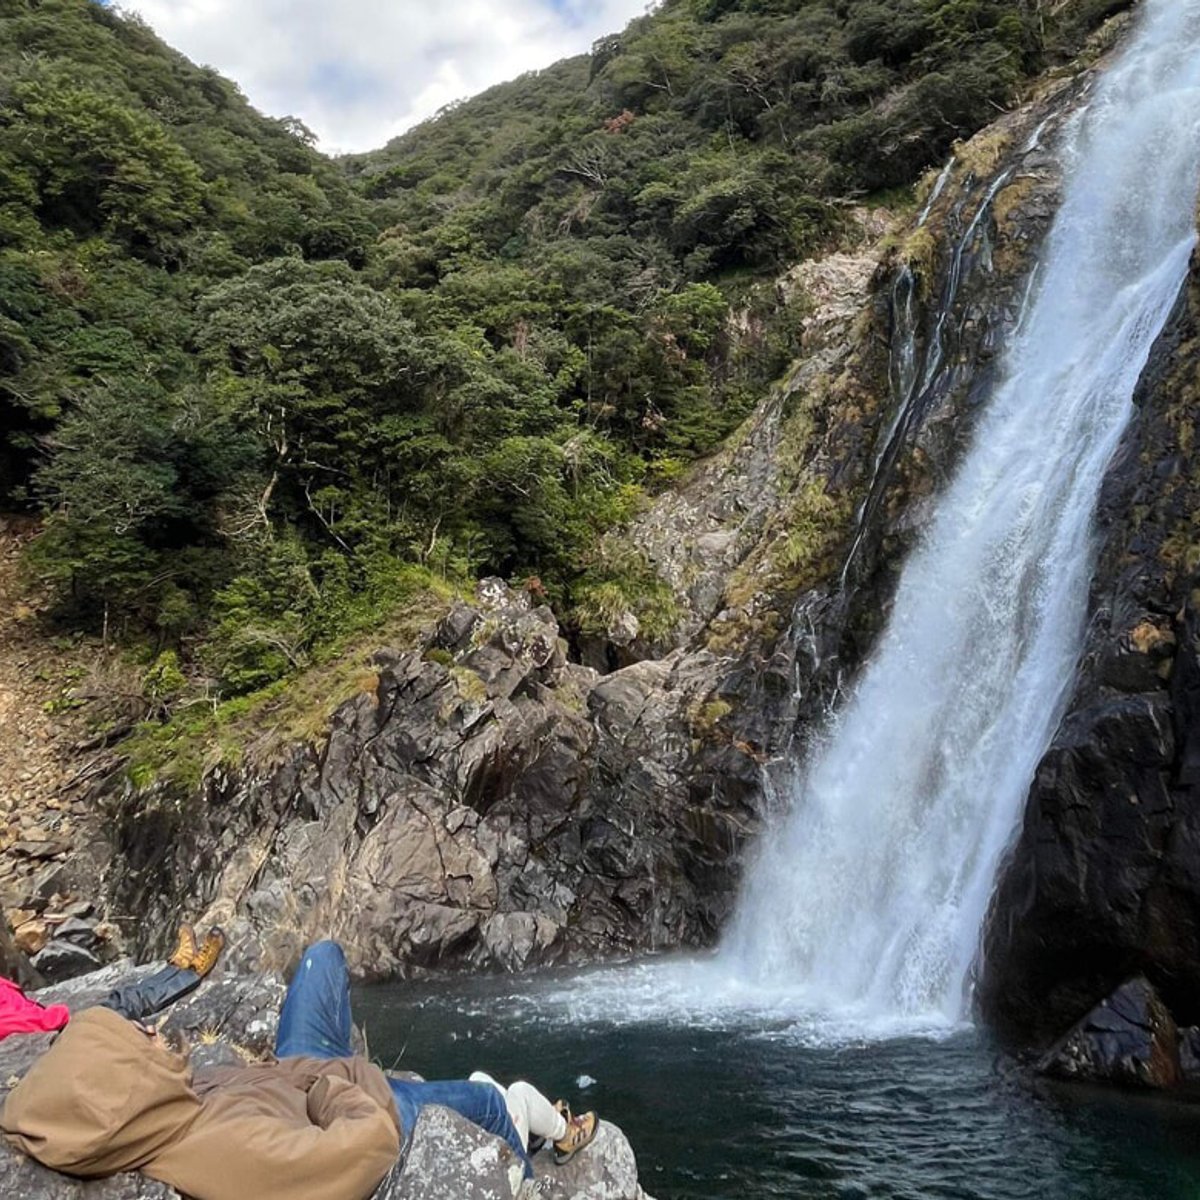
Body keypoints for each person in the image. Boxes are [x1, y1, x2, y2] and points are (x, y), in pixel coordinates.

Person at [0, 936, 597, 1200]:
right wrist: (335, 1086)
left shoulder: (157, 1104)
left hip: (305, 1069)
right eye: (141, 1040)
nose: (154, 1032)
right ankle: (542, 1146)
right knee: (496, 1105)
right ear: (126, 1085)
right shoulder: (220, 1150)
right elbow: (362, 1150)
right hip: (367, 1101)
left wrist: (314, 1074)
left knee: (321, 958)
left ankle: (508, 1110)